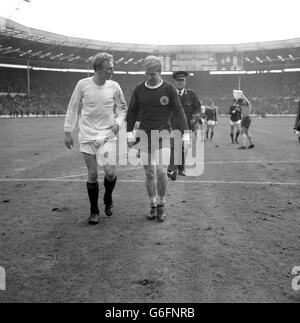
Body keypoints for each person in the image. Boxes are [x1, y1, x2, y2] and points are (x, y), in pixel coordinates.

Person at [64, 53, 128, 225]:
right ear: (98, 69)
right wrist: (67, 131)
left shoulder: (114, 86)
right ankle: (94, 211)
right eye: (109, 68)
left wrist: (117, 124)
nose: (112, 71)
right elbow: (73, 108)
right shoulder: (82, 85)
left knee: (110, 172)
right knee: (92, 174)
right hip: (87, 136)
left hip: (108, 136)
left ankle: (108, 198)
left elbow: (123, 109)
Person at [126, 56, 189, 222]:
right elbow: (132, 112)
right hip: (144, 135)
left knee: (161, 171)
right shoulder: (139, 89)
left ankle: (161, 205)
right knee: (149, 173)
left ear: (160, 72)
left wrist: (186, 133)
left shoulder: (168, 89)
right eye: (146, 74)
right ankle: (153, 205)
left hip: (163, 134)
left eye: (152, 74)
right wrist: (129, 132)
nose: (149, 77)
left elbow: (179, 112)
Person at [168, 71, 202, 180]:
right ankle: (173, 170)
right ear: (175, 82)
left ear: (185, 81)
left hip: (188, 126)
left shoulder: (192, 95)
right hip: (174, 126)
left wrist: (196, 116)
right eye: (178, 81)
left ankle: (181, 168)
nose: (180, 83)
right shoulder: (170, 94)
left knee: (184, 148)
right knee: (174, 147)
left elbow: (198, 108)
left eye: (182, 80)